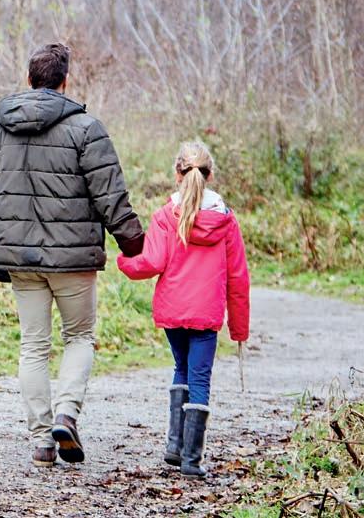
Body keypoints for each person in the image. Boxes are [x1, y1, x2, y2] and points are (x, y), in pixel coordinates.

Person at [0, 43, 144, 467]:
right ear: (65, 82)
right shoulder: (86, 128)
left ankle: (42, 440)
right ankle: (66, 414)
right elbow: (110, 195)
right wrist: (134, 242)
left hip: (19, 258)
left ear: (29, 80)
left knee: (33, 345)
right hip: (73, 260)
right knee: (79, 336)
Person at [117, 141, 250, 478]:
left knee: (181, 368)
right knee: (199, 378)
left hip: (173, 311)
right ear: (210, 175)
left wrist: (123, 261)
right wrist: (239, 328)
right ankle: (192, 459)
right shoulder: (225, 220)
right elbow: (238, 277)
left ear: (177, 174)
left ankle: (174, 447)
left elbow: (151, 262)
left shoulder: (165, 215)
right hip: (206, 315)